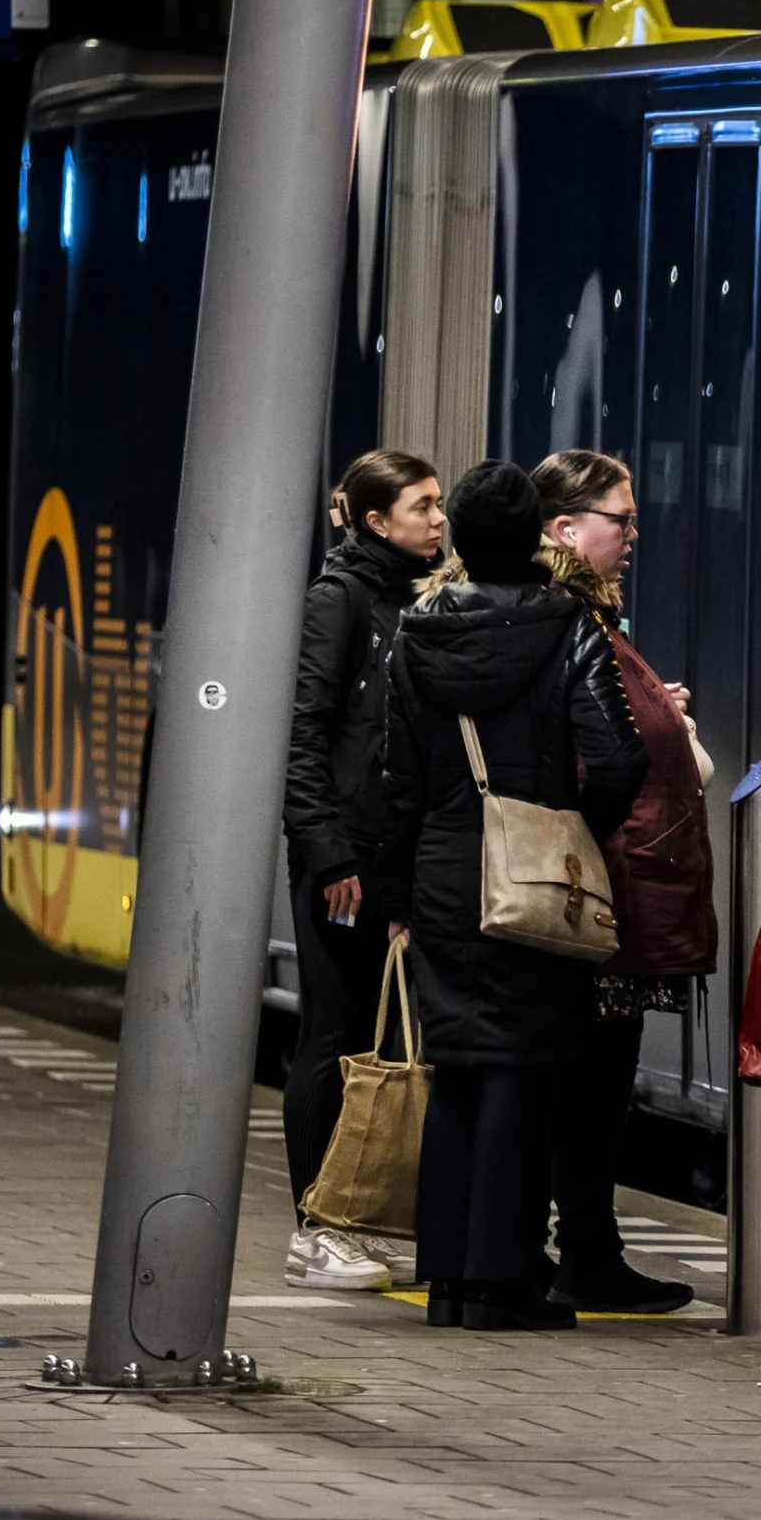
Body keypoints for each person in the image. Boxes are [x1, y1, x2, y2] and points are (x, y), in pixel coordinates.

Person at [376, 460, 647, 1331]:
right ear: (533, 532)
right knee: (523, 1071)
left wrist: (401, 889)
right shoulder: (568, 626)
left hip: (444, 871)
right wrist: (572, 826)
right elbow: (619, 759)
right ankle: (502, 1281)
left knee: (456, 1069)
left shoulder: (415, 631)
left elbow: (396, 779)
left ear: (456, 532)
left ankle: (448, 1281)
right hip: (533, 870)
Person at [524, 446, 705, 1317]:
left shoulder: (587, 616)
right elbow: (591, 754)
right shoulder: (566, 615)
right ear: (566, 527)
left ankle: (586, 1246)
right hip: (599, 890)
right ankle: (583, 1251)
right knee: (589, 1082)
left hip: (611, 886)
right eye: (618, 518)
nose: (633, 535)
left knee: (596, 1079)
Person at [279, 448, 441, 1292]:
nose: (438, 519)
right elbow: (301, 733)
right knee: (332, 1037)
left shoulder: (404, 598)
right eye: (422, 506)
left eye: (440, 505)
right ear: (377, 520)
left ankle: (360, 1214)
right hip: (343, 863)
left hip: (388, 859)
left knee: (379, 1043)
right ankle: (313, 1227)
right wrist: (328, 851)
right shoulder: (338, 599)